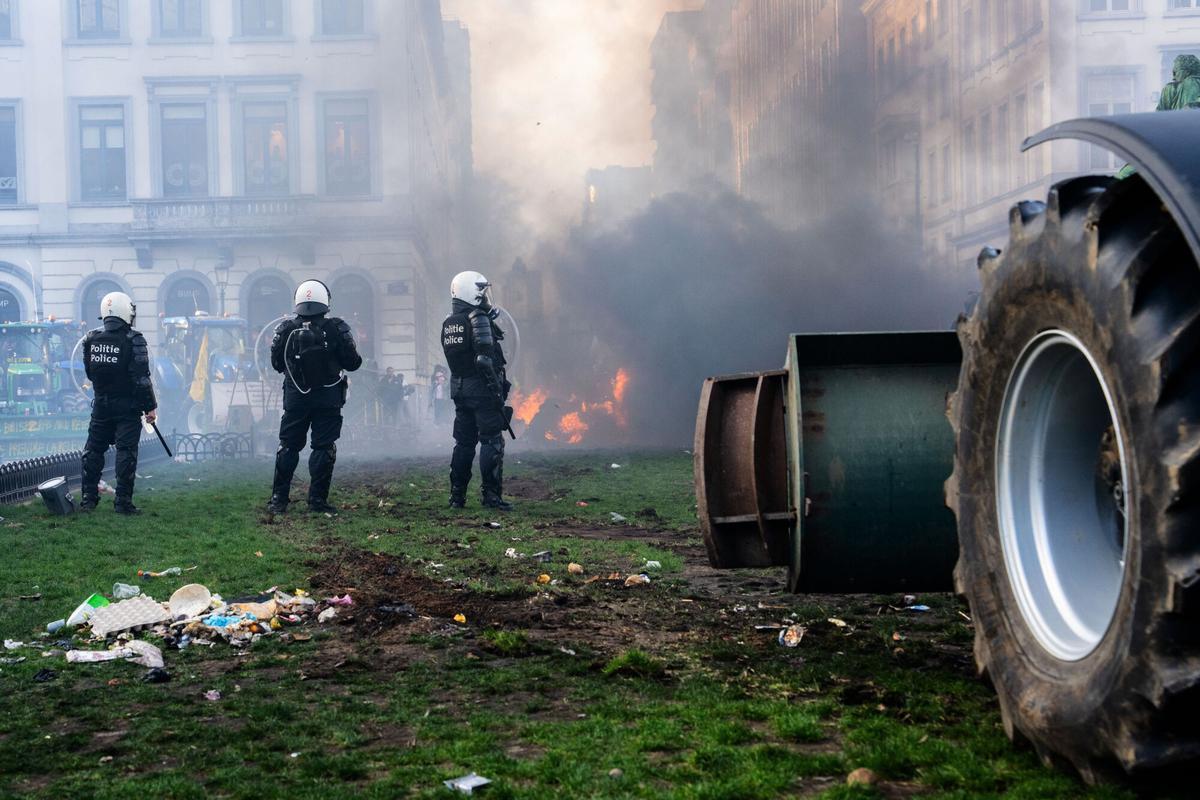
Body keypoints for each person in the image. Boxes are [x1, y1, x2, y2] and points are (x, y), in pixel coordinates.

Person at [266, 280, 362, 515]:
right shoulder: (337, 328)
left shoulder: (285, 328)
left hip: (296, 398)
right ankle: (317, 501)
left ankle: (279, 500)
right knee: (323, 447)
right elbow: (353, 362)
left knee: (288, 446)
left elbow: (276, 364)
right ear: (325, 301)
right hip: (328, 398)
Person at [80, 292, 158, 515]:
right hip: (127, 407)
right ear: (127, 312)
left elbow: (90, 373)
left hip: (101, 405)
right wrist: (150, 407)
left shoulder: (91, 339)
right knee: (126, 452)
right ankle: (122, 503)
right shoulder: (134, 340)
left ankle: (88, 500)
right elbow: (141, 379)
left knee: (93, 451)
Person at [442, 271, 513, 510]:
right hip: (481, 391)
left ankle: (457, 497)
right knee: (492, 441)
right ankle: (491, 497)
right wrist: (495, 390)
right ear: (471, 292)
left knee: (463, 444)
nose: (485, 297)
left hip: (460, 389)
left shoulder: (450, 323)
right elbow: (484, 360)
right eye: (481, 292)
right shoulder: (478, 318)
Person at [1116, 55, 1200, 179]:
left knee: (1126, 175)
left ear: (1187, 71)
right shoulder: (1170, 89)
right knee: (1126, 174)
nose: (1173, 75)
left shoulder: (1192, 82)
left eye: (1176, 71)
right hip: (1172, 142)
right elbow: (1159, 118)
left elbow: (1189, 112)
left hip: (1181, 143)